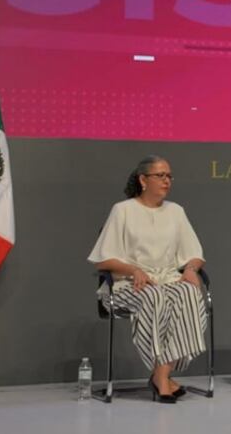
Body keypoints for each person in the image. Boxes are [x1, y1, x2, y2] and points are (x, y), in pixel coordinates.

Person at [88, 156, 207, 403]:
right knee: (155, 296)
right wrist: (133, 270)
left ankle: (161, 374)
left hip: (167, 280)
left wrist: (191, 269)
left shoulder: (176, 211)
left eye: (169, 176)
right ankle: (163, 378)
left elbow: (194, 254)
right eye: (160, 175)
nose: (167, 181)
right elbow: (103, 261)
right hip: (128, 285)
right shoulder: (122, 210)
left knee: (189, 293)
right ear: (143, 179)